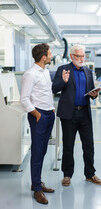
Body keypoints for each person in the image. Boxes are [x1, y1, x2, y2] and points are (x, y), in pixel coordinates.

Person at [52, 44, 101, 186]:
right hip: (69, 114)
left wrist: (95, 94)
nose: (82, 59)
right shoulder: (63, 70)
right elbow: (54, 88)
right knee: (68, 145)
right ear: (72, 56)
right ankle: (67, 175)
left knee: (89, 145)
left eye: (83, 56)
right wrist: (63, 81)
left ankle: (90, 174)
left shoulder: (87, 71)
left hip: (85, 112)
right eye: (79, 56)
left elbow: (91, 91)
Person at [21, 43, 55, 204]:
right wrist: (37, 114)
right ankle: (37, 189)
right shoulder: (30, 74)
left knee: (42, 151)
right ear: (43, 57)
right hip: (39, 117)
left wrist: (52, 109)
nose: (51, 56)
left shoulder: (46, 72)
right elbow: (24, 99)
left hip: (49, 115)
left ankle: (37, 182)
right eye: (49, 54)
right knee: (37, 151)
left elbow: (47, 93)